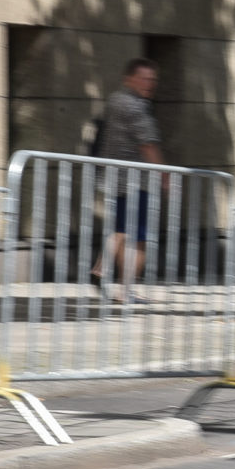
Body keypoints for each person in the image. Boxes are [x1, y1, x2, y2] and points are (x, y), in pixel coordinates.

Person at [90, 57, 165, 302]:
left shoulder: (114, 101)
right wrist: (164, 174)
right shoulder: (135, 106)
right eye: (143, 79)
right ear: (129, 78)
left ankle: (102, 269)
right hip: (135, 180)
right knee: (138, 236)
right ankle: (124, 288)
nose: (149, 84)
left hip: (115, 178)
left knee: (122, 228)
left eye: (152, 80)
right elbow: (148, 143)